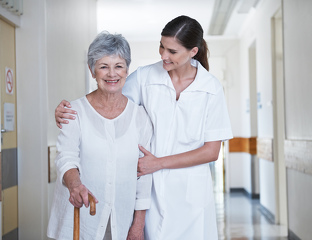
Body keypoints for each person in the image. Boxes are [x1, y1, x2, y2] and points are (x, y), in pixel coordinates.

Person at [55, 15, 233, 240]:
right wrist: (68, 111)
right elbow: (108, 101)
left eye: (172, 51)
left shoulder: (211, 88)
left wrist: (158, 163)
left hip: (190, 193)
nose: (163, 55)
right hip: (151, 192)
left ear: (193, 52)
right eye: (161, 46)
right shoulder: (145, 77)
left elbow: (211, 151)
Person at [48, 32, 153, 240]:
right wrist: (75, 185)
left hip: (122, 221)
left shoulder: (140, 117)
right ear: (92, 71)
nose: (111, 74)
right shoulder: (73, 111)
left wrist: (138, 225)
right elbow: (66, 157)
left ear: (127, 69)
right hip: (80, 220)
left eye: (119, 66)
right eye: (103, 66)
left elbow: (144, 174)